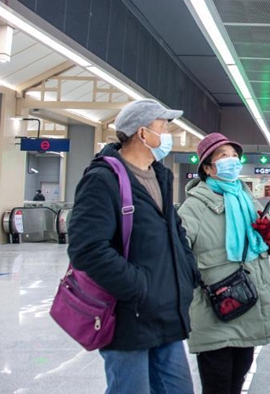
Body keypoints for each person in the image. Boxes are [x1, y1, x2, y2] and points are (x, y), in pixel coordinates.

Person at [67, 99, 199, 394]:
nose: (168, 134)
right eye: (163, 126)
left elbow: (175, 232)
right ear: (142, 133)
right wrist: (139, 287)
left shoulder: (159, 176)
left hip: (166, 315)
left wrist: (188, 273)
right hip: (128, 317)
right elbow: (86, 249)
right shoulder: (103, 180)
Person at [178, 133, 270, 393]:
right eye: (223, 156)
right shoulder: (193, 208)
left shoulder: (247, 200)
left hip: (248, 304)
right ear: (207, 167)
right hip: (215, 310)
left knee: (237, 381)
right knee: (218, 384)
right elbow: (178, 256)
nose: (232, 160)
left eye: (235, 155)